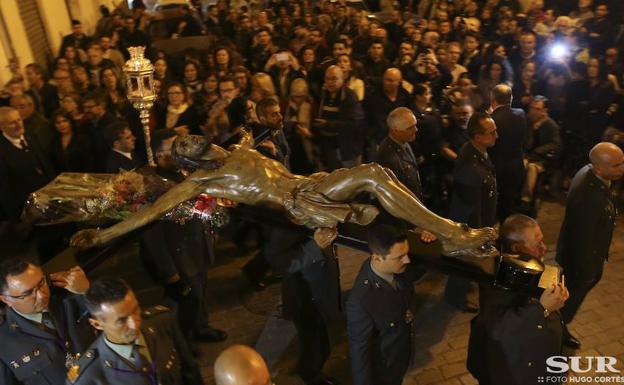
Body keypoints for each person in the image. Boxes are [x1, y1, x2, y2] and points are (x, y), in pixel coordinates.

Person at [69, 130, 497, 257]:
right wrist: (102, 236)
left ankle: (449, 234)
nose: (183, 141)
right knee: (372, 173)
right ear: (188, 165)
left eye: (185, 137)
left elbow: (246, 135)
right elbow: (149, 213)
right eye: (178, 148)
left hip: (309, 181)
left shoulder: (237, 149)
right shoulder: (199, 182)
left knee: (378, 172)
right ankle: (453, 234)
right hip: (299, 200)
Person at [140, 129, 227, 347]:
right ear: (160, 155)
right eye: (173, 148)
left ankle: (201, 327)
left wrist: (211, 229)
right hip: (179, 257)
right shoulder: (153, 186)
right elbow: (151, 234)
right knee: (184, 303)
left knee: (199, 295)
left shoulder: (185, 173)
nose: (180, 152)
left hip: (197, 248)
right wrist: (168, 270)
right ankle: (184, 343)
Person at [467, 214, 569, 385]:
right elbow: (498, 328)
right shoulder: (498, 277)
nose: (544, 248)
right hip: (511, 369)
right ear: (516, 248)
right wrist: (543, 308)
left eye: (542, 241)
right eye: (537, 245)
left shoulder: (524, 265)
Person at [68, 277, 203, 384]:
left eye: (135, 310)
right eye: (122, 320)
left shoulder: (162, 322)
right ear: (97, 324)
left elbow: (190, 373)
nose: (134, 324)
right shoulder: (88, 377)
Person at [556, 142, 624, 349]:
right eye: (616, 165)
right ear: (598, 168)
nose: (622, 168)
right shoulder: (589, 196)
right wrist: (586, 271)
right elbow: (582, 237)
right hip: (583, 259)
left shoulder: (591, 174)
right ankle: (558, 328)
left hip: (585, 255)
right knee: (571, 295)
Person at [0, 258, 95, 385]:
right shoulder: (3, 341)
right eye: (28, 293)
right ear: (6, 300)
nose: (41, 295)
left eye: (41, 283)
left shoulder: (70, 299)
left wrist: (87, 291)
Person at [345, 224, 415, 385]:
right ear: (377, 258)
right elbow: (360, 353)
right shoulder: (361, 301)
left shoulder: (400, 268)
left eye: (407, 253)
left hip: (399, 359)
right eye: (400, 257)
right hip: (384, 372)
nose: (408, 260)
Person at [445, 111, 498, 312]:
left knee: (466, 258)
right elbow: (472, 206)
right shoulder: (471, 166)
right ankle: (455, 297)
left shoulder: (476, 150)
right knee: (463, 259)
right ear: (478, 137)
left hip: (477, 216)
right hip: (468, 222)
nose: (496, 136)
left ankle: (463, 287)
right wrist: (482, 232)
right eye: (492, 132)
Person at [282, 227, 341, 385]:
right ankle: (311, 376)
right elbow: (282, 264)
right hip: (305, 301)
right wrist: (315, 246)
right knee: (315, 347)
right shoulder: (281, 225)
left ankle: (310, 371)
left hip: (320, 296)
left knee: (321, 345)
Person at [488, 84, 528, 223]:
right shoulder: (521, 114)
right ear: (511, 98)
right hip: (516, 166)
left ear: (492, 99)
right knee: (508, 204)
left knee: (494, 205)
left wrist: (489, 115)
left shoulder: (491, 120)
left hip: (496, 168)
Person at [376, 107, 422, 200]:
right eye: (410, 128)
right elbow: (393, 195)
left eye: (415, 125)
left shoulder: (404, 142)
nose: (416, 129)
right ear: (395, 131)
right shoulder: (387, 157)